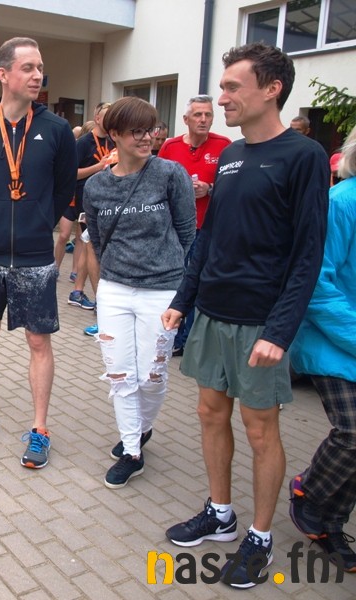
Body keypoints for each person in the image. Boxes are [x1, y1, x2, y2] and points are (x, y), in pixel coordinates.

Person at [162, 42, 329, 589]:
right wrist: (182, 301)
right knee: (210, 413)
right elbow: (209, 237)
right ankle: (220, 512)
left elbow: (308, 253)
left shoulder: (303, 156)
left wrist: (280, 331)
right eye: (223, 88)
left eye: (233, 87)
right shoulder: (232, 155)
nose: (222, 98)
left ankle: (259, 536)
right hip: (212, 311)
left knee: (260, 430)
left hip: (261, 321)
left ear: (272, 89)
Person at [0, 37, 77, 468]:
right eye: (28, 67)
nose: (38, 75)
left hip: (35, 255)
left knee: (38, 341)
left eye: (40, 67)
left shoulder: (57, 130)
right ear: (3, 74)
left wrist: (39, 222)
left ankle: (40, 429)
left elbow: (63, 188)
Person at [83, 97, 195, 489]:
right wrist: (115, 273)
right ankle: (132, 449)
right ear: (114, 134)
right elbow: (97, 239)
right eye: (137, 131)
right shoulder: (96, 185)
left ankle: (143, 427)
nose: (148, 137)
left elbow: (187, 233)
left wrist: (175, 279)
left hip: (161, 291)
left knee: (152, 375)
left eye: (151, 129)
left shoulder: (170, 174)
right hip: (114, 291)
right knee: (120, 374)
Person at [288, 125, 356, 573]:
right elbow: (316, 283)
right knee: (353, 433)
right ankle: (309, 492)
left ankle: (329, 522)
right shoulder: (341, 203)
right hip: (329, 338)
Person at [158, 95, 231, 356]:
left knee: (200, 282)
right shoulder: (171, 146)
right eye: (198, 115)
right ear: (186, 119)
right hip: (176, 229)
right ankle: (173, 335)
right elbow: (157, 183)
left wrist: (209, 188)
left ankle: (191, 339)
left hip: (209, 228)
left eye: (208, 115)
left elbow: (233, 186)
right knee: (176, 281)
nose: (203, 120)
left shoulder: (224, 146)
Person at [65, 102, 114, 314]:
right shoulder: (83, 142)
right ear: (97, 118)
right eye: (106, 116)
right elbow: (71, 173)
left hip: (108, 199)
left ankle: (78, 291)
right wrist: (99, 166)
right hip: (86, 199)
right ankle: (84, 293)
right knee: (90, 245)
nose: (110, 120)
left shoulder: (114, 140)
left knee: (89, 245)